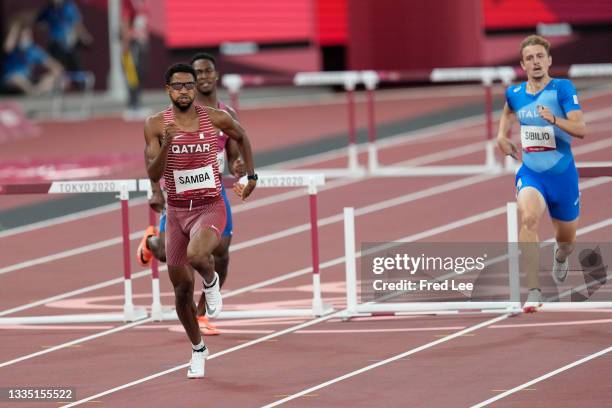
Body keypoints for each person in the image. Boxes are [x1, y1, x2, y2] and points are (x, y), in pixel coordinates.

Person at [144, 63, 256, 378]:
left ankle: (211, 282)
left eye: (189, 86)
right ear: (168, 89)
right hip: (177, 211)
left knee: (199, 255)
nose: (184, 91)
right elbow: (152, 173)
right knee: (181, 291)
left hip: (209, 205)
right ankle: (198, 349)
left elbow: (242, 135)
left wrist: (252, 175)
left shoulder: (215, 118)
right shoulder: (155, 125)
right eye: (178, 86)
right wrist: (167, 144)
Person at [496, 35, 586, 313]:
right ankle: (534, 290)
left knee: (566, 241)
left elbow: (581, 129)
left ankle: (561, 256)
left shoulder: (562, 89)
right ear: (523, 65)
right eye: (529, 58)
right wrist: (501, 136)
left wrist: (554, 120)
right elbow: (509, 112)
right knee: (529, 217)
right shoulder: (515, 93)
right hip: (532, 173)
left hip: (562, 176)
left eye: (539, 57)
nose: (535, 62)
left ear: (549, 60)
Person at [1, 21, 63, 95]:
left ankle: (36, 91)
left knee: (53, 79)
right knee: (16, 79)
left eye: (26, 35)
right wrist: (14, 29)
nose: (23, 38)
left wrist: (52, 74)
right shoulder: (13, 48)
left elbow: (56, 66)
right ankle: (33, 91)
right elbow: (7, 47)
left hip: (28, 80)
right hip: (11, 80)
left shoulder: (33, 50)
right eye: (21, 36)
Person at [36, 0, 93, 72]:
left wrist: (84, 35)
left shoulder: (68, 7)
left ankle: (79, 77)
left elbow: (77, 23)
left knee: (73, 63)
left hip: (69, 42)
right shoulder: (48, 9)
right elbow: (39, 23)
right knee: (57, 66)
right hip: (54, 43)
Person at [121, 0, 150, 118]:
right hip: (133, 42)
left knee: (141, 72)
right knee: (133, 74)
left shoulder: (143, 2)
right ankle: (133, 105)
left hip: (142, 41)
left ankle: (137, 103)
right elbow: (126, 20)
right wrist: (126, 42)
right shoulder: (129, 2)